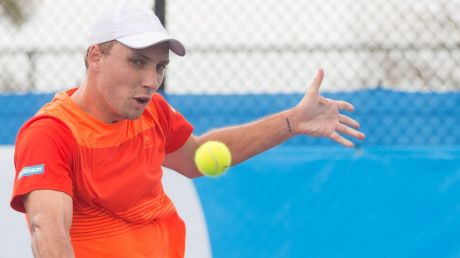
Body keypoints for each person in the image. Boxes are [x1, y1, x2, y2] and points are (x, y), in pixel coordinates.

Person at [10, 1, 365, 258]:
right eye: (137, 62)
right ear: (95, 58)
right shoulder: (52, 133)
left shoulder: (153, 113)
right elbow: (48, 230)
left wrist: (293, 122)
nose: (151, 81)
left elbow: (197, 156)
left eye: (159, 67)